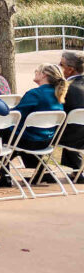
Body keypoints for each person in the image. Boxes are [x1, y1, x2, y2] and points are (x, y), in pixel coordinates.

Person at [11, 64, 67, 183]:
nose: (35, 72)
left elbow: (15, 115)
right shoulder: (58, 94)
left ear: (44, 75)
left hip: (29, 141)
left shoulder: (35, 94)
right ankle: (43, 173)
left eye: (37, 71)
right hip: (46, 140)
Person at [59, 51, 84, 180]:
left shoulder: (65, 88)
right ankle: (76, 171)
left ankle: (42, 172)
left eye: (61, 65)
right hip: (79, 133)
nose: (59, 67)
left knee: (41, 131)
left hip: (71, 135)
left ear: (70, 70)